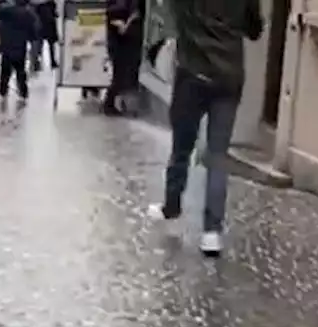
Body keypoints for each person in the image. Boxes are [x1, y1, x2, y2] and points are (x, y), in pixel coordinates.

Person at [147, 0, 263, 257]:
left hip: (193, 74)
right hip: (229, 77)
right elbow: (255, 30)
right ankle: (212, 232)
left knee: (181, 146)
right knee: (218, 154)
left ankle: (172, 206)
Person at [0, 0, 38, 100]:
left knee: (5, 70)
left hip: (6, 44)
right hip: (20, 45)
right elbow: (33, 30)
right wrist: (32, 38)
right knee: (20, 70)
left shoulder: (5, 10)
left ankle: (3, 91)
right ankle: (23, 92)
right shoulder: (27, 13)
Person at [102, 0, 143, 116]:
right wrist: (125, 23)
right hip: (120, 43)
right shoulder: (120, 5)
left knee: (121, 75)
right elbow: (115, 14)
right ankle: (109, 105)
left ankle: (111, 104)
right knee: (119, 75)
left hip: (123, 42)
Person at [31, 0, 58, 72]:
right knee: (50, 43)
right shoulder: (49, 5)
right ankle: (52, 61)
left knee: (38, 43)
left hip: (39, 20)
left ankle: (36, 62)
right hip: (47, 19)